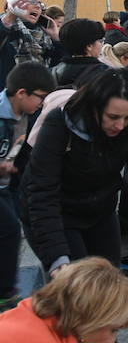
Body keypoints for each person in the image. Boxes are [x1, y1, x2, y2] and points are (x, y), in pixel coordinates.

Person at [21, 69, 128, 275]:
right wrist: (55, 254)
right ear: (94, 107)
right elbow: (41, 190)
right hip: (57, 212)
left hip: (100, 210)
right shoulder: (59, 124)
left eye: (127, 118)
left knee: (109, 283)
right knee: (76, 287)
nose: (120, 125)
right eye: (113, 117)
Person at [0, 62, 54, 313]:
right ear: (21, 93)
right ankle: (5, 292)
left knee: (18, 225)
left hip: (9, 184)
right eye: (40, 98)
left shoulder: (25, 114)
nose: (41, 104)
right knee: (10, 229)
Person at [0, 256, 128, 343]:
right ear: (90, 318)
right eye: (114, 330)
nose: (113, 341)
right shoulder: (37, 338)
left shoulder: (36, 310)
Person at [0, 0, 61, 89]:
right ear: (15, 3)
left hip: (37, 96)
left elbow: (59, 67)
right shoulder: (4, 28)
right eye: (32, 1)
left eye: (40, 4)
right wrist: (9, 18)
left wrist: (56, 38)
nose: (38, 7)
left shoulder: (45, 37)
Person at [51, 19, 108, 87]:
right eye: (100, 41)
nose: (102, 44)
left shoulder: (54, 72)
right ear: (89, 46)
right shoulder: (106, 73)